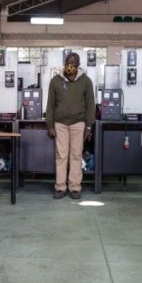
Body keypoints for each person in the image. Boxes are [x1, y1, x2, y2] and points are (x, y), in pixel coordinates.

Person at [45, 52, 95, 200]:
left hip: (78, 124)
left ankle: (74, 187)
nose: (70, 64)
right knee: (61, 156)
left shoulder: (86, 81)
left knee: (76, 155)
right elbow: (50, 105)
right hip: (60, 124)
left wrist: (88, 127)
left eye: (73, 61)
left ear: (78, 65)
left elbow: (90, 105)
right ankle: (60, 187)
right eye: (68, 61)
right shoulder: (55, 81)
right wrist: (50, 125)